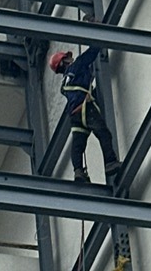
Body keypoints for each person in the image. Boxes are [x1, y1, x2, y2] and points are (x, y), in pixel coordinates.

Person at [49, 41, 120, 182]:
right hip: (85, 108)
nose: (71, 58)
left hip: (74, 114)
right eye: (67, 57)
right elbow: (92, 53)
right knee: (103, 133)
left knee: (78, 144)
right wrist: (99, 36)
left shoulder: (65, 82)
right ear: (63, 62)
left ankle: (78, 172)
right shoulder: (77, 65)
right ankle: (110, 162)